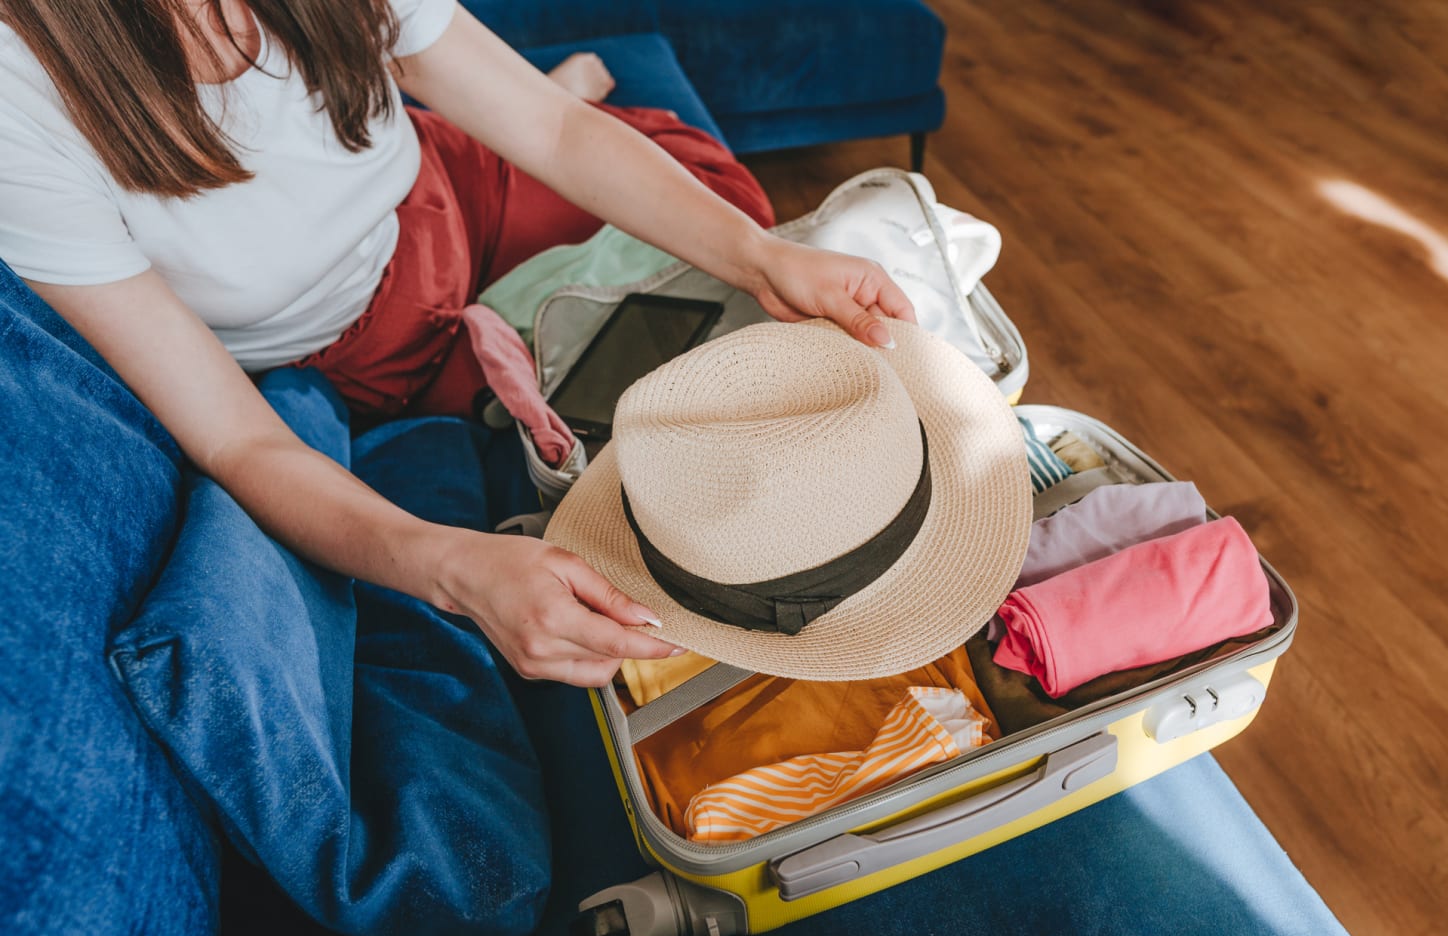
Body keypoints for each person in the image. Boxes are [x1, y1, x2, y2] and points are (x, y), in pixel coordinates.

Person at [0, 0, 916, 686]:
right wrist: (452, 569)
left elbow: (552, 132)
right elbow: (243, 440)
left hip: (448, 187)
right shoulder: (22, 103)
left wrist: (762, 259)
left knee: (734, 213)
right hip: (373, 354)